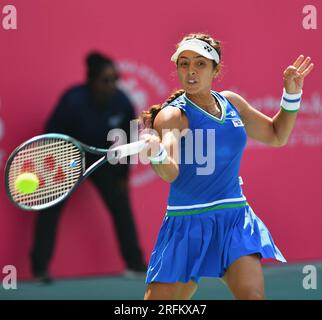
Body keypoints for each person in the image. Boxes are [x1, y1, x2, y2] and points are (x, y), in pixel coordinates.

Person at [140, 33, 314, 300]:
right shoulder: (173, 115)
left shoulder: (231, 102)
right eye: (183, 64)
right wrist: (157, 153)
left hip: (233, 219)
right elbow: (171, 171)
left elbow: (276, 135)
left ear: (215, 69)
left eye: (200, 63)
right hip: (187, 225)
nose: (191, 71)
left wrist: (292, 94)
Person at [30, 52, 147, 283]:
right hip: (68, 158)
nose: (112, 85)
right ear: (91, 81)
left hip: (102, 160)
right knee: (51, 208)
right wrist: (56, 168)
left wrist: (122, 174)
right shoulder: (72, 100)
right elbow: (51, 134)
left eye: (115, 79)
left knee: (121, 205)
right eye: (105, 80)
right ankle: (39, 269)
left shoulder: (122, 102)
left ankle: (135, 265)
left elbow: (129, 141)